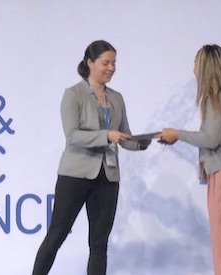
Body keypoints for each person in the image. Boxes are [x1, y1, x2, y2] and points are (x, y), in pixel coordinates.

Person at [32, 40, 151, 275]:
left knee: (99, 244)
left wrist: (141, 143)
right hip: (75, 175)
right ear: (90, 63)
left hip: (107, 177)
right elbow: (73, 136)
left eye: (114, 63)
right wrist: (106, 135)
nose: (111, 68)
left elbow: (123, 136)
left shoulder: (116, 98)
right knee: (56, 235)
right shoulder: (73, 94)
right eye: (105, 63)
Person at [157, 44, 221, 275]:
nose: (192, 68)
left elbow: (211, 139)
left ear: (204, 66)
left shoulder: (214, 97)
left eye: (195, 62)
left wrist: (178, 134)